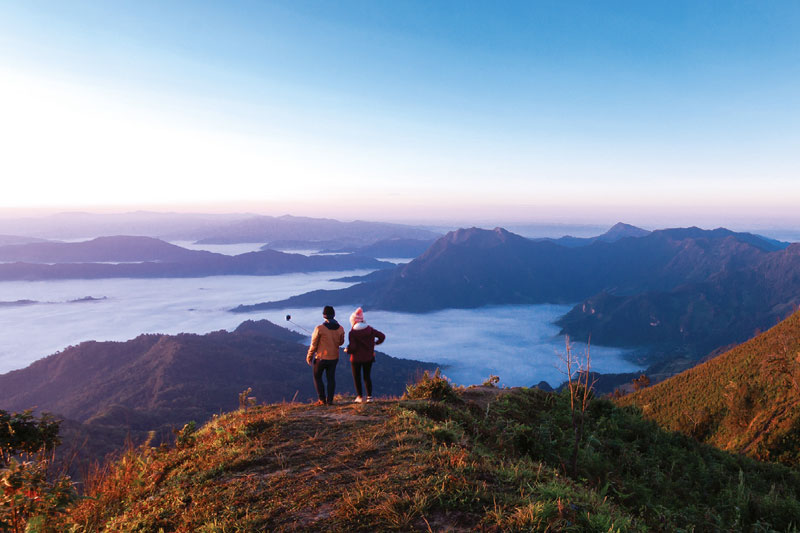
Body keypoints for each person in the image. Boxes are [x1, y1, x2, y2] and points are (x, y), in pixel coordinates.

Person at [345, 307, 385, 403]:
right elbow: (382, 336)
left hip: (356, 359)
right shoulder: (370, 329)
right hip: (368, 357)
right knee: (367, 377)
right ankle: (369, 397)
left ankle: (359, 397)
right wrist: (376, 343)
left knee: (357, 377)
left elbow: (353, 347)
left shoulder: (352, 333)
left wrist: (348, 350)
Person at [307, 305, 344, 405]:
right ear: (334, 315)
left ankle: (322, 399)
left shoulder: (319, 328)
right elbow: (341, 343)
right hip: (334, 358)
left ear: (324, 315)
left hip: (321, 358)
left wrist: (309, 355)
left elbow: (314, 344)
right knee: (331, 378)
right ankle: (330, 400)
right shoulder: (340, 329)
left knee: (317, 377)